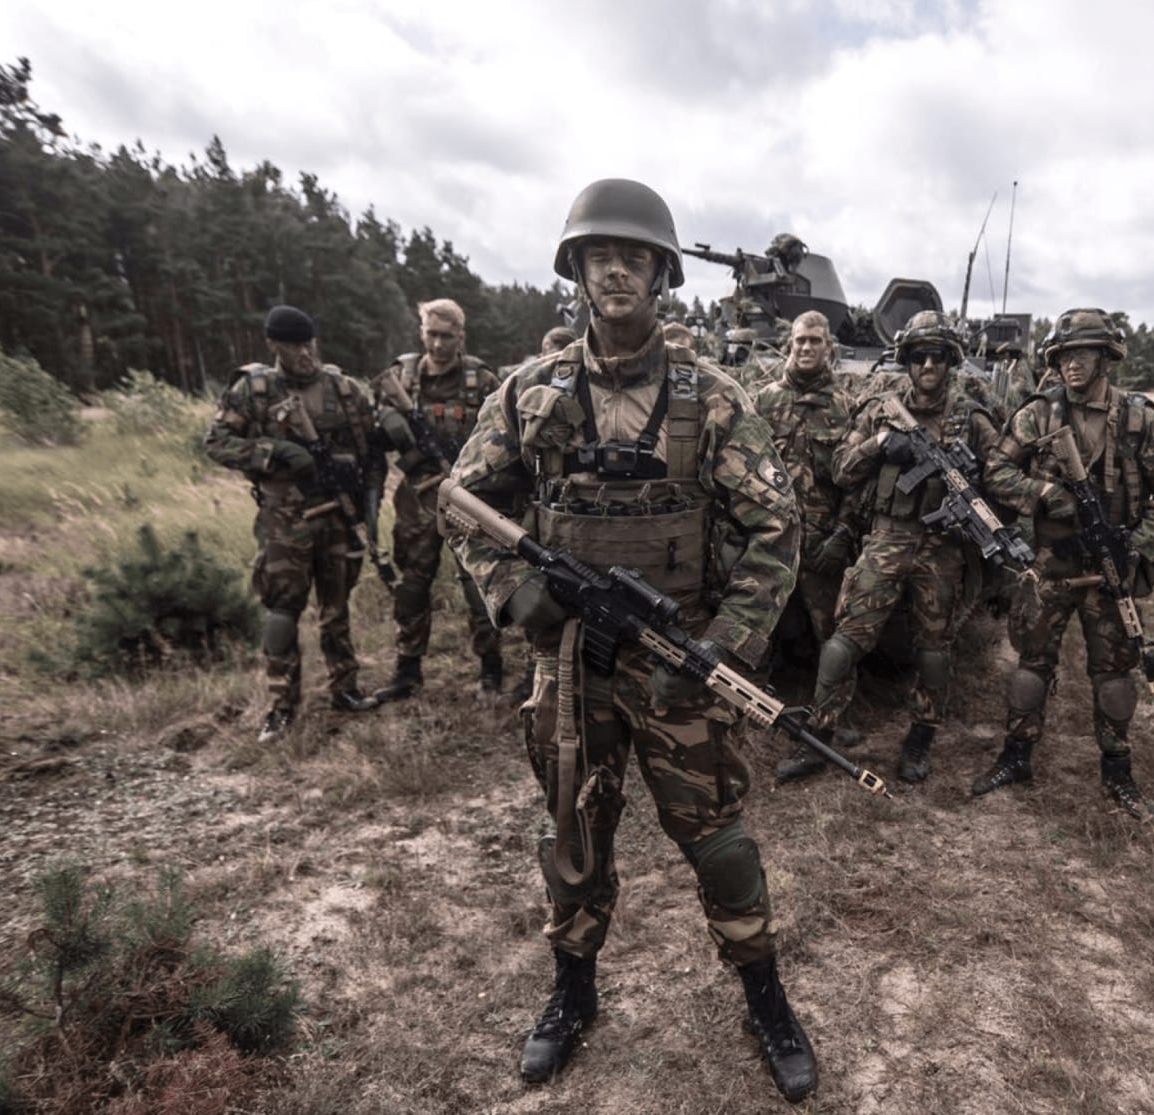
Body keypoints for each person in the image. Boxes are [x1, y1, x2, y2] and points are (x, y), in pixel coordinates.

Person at [447, 178, 817, 1101]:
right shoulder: (529, 392)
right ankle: (572, 993)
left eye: (637, 257)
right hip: (571, 669)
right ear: (576, 270)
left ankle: (764, 994)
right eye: (600, 255)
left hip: (678, 665)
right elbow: (462, 504)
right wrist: (513, 592)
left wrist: (726, 647)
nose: (618, 270)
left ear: (662, 275)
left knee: (721, 839)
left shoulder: (712, 398)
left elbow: (778, 528)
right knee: (571, 832)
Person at [970, 309, 1154, 814]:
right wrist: (1043, 491)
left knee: (1113, 673)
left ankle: (1117, 771)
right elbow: (996, 469)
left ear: (1107, 358)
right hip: (1052, 562)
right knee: (1032, 663)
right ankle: (1016, 755)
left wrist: (1139, 546)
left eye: (1083, 354)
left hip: (1113, 563)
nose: (1072, 364)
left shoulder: (1139, 418)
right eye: (1065, 355)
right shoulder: (1039, 413)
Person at [802, 310, 1006, 784]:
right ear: (907, 362)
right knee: (844, 639)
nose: (928, 365)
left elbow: (1001, 481)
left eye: (937, 356)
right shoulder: (881, 410)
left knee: (934, 649)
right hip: (888, 536)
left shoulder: (972, 420)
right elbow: (841, 468)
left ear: (951, 361)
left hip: (944, 546)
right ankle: (819, 732)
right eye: (918, 357)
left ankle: (921, 735)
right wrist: (878, 444)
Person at [204, 305, 382, 743]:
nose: (304, 353)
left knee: (337, 608)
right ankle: (282, 705)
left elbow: (371, 449)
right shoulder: (255, 389)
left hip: (337, 516)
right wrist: (272, 452)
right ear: (274, 345)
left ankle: (346, 687)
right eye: (293, 345)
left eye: (309, 343)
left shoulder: (342, 389)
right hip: (286, 522)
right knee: (283, 611)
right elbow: (217, 442)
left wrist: (366, 507)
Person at [370, 299, 505, 702]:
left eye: (447, 336)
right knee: (412, 586)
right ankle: (407, 672)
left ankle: (491, 670)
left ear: (461, 336)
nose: (438, 344)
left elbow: (503, 436)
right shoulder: (402, 376)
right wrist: (391, 431)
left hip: (468, 496)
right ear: (421, 332)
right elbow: (373, 433)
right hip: (416, 497)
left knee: (478, 587)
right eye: (432, 334)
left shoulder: (481, 380)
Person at [758, 312, 863, 779]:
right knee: (760, 622)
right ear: (789, 343)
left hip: (822, 540)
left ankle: (833, 719)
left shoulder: (845, 405)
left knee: (833, 632)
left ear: (828, 348)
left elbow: (857, 483)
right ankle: (755, 705)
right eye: (799, 339)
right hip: (773, 536)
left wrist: (843, 533)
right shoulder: (765, 400)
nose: (805, 347)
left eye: (815, 340)